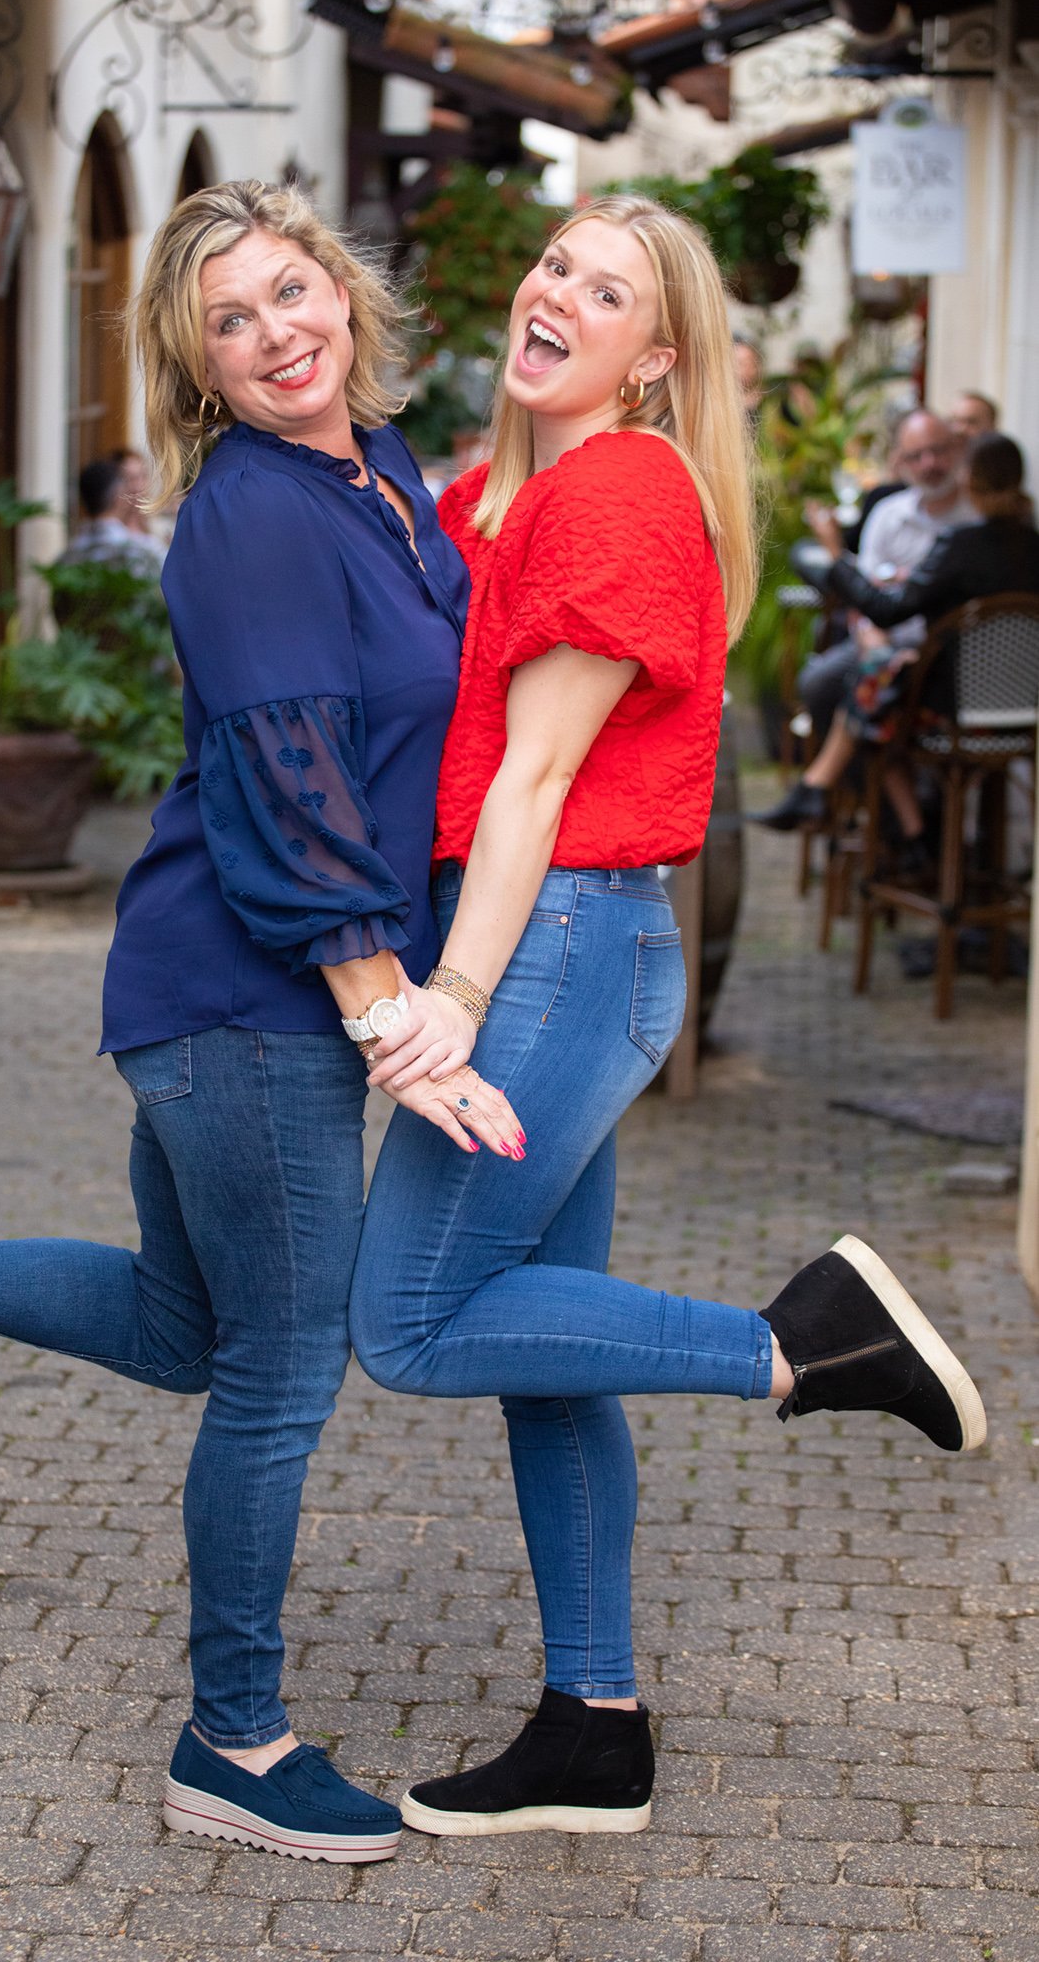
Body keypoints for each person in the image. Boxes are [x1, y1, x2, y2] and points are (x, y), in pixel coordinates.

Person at [0, 181, 520, 1867]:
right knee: (279, 1374)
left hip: (223, 993)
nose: (274, 334)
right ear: (196, 368)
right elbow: (290, 777)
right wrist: (386, 1013)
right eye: (229, 321)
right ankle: (234, 1740)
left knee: (177, 1326)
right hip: (249, 997)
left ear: (345, 294)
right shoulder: (254, 516)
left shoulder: (378, 476)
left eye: (289, 292)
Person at [344, 194, 987, 1840]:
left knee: (406, 1318)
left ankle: (804, 1343)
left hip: (551, 947)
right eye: (554, 260)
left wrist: (453, 1000)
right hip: (551, 941)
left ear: (655, 354)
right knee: (544, 1353)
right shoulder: (507, 488)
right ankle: (595, 1728)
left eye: (608, 287)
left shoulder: (620, 490)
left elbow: (538, 777)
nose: (557, 288)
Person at [779, 433, 1039, 863]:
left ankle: (907, 832)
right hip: (1023, 716)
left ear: (969, 479)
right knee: (877, 679)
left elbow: (886, 611)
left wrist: (835, 553)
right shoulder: (1032, 545)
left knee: (872, 700)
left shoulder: (961, 545)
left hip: (951, 715)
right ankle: (916, 838)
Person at [754, 407, 977, 828]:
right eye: (916, 456)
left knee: (870, 694)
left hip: (946, 659)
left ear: (958, 449)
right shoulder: (890, 514)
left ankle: (877, 815)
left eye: (938, 451)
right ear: (900, 462)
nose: (929, 463)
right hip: (884, 642)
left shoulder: (975, 521)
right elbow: (866, 597)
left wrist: (836, 553)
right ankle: (874, 813)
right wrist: (870, 635)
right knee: (820, 684)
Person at [58, 455, 166, 577]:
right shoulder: (145, 554)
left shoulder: (68, 556)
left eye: (143, 477)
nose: (137, 488)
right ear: (118, 496)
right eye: (130, 481)